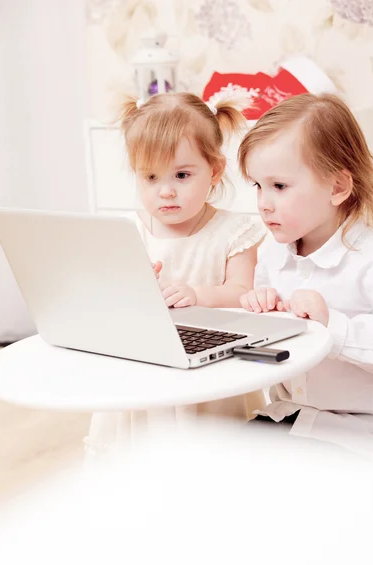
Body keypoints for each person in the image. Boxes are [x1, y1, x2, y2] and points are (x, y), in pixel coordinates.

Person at [84, 92, 265, 457]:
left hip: (210, 371)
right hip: (144, 369)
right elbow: (107, 301)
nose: (165, 190)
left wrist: (197, 294)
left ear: (214, 171)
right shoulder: (129, 230)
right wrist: (133, 288)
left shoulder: (233, 231)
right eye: (150, 177)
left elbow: (242, 292)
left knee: (208, 460)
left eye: (182, 175)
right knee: (134, 460)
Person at [238, 92, 373, 455]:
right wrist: (260, 309)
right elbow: (269, 346)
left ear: (337, 187)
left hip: (364, 426)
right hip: (289, 415)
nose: (263, 202)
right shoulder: (273, 252)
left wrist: (329, 324)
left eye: (280, 186)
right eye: (258, 185)